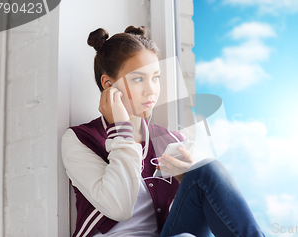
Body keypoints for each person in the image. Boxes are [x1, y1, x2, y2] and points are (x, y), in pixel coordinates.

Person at [60, 25, 265, 237]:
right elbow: (119, 207)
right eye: (138, 79)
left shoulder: (171, 140)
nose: (151, 89)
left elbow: (182, 214)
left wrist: (186, 181)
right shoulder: (80, 139)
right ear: (108, 83)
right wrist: (121, 129)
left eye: (155, 77)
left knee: (205, 170)